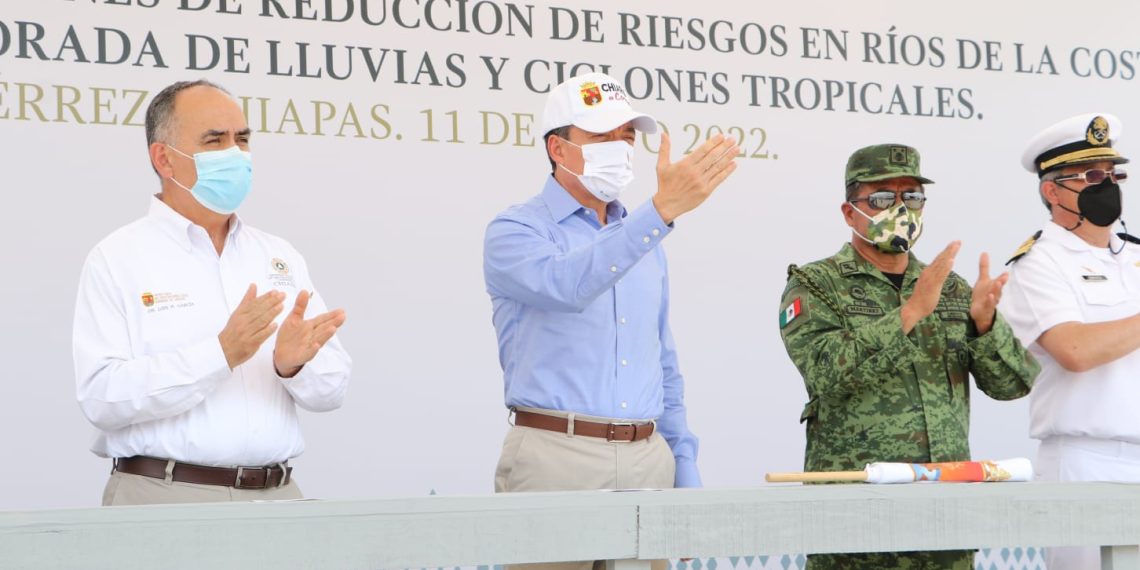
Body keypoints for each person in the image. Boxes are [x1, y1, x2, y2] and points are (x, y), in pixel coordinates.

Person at [483, 72, 738, 570]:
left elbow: (661, 359)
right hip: (556, 455)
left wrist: (683, 465)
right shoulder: (515, 229)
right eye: (601, 136)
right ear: (558, 149)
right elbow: (567, 285)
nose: (620, 147)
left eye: (626, 136)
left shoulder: (643, 235)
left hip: (648, 457)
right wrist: (659, 212)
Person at [73, 79, 351, 505]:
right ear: (164, 158)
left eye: (241, 139)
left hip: (278, 498)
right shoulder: (117, 258)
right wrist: (220, 354)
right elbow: (102, 397)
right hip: (163, 496)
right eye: (214, 140)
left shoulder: (278, 255)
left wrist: (292, 366)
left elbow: (332, 391)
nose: (235, 154)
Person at [778, 143, 1039, 569]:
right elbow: (823, 370)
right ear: (849, 212)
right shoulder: (816, 283)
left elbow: (1014, 384)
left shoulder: (950, 288)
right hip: (856, 518)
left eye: (912, 197)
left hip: (944, 517)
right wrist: (910, 312)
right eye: (882, 198)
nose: (900, 209)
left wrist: (985, 325)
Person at [1002, 113, 1135, 569]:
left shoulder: (1136, 253)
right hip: (1088, 463)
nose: (1109, 185)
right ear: (1052, 190)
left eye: (1114, 173)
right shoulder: (1039, 262)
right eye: (1092, 176)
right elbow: (1075, 351)